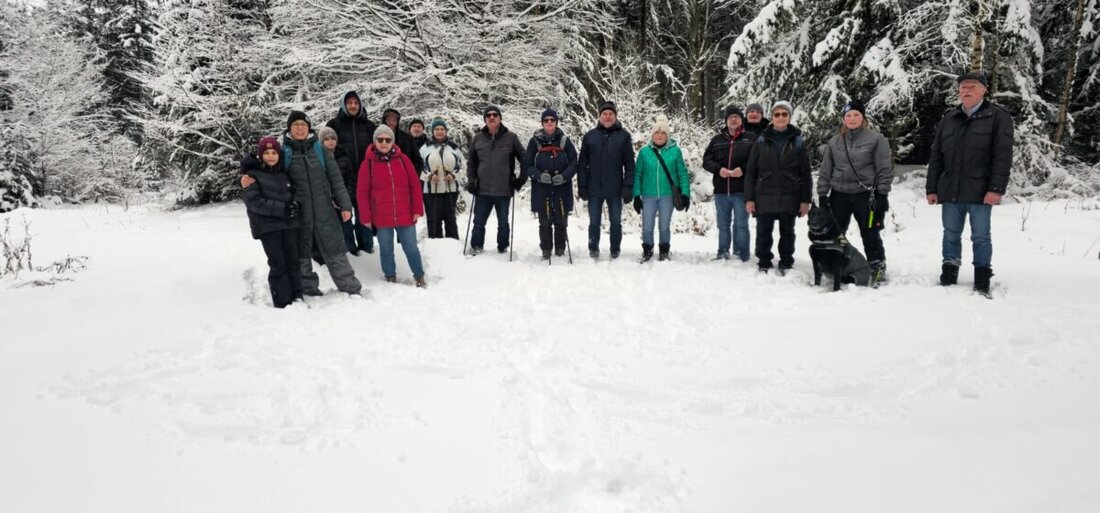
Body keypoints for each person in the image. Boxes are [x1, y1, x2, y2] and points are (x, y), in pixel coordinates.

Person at [243, 111, 362, 296]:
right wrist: (244, 175)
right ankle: (308, 289)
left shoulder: (320, 150)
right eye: (295, 125)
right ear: (289, 128)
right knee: (302, 253)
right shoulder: (284, 153)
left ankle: (350, 287)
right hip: (298, 213)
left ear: (309, 128)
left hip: (325, 212)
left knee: (335, 250)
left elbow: (336, 180)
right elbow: (265, 166)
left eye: (303, 125)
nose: (300, 128)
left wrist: (345, 206)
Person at [926, 71, 1013, 295]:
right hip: (951, 190)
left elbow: (1002, 156)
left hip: (980, 190)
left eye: (971, 87)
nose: (965, 91)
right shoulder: (949, 117)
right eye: (962, 87)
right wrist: (932, 188)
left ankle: (982, 277)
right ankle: (949, 272)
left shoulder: (998, 117)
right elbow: (937, 155)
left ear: (984, 89)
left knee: (981, 236)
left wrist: (996, 189)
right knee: (950, 234)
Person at [817, 99, 893, 285]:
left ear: (863, 117)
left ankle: (877, 266)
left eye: (856, 115)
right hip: (839, 195)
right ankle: (836, 264)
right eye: (848, 115)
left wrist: (882, 194)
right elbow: (826, 169)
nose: (852, 119)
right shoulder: (835, 142)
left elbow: (884, 168)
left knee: (870, 232)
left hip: (865, 195)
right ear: (843, 119)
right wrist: (822, 194)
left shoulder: (876, 139)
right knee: (835, 233)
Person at [744, 100, 812, 273]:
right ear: (772, 117)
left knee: (788, 231)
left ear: (789, 116)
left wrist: (805, 200)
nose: (780, 117)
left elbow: (806, 172)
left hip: (790, 193)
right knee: (763, 231)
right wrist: (749, 198)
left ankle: (786, 261)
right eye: (777, 114)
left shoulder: (797, 140)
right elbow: (751, 171)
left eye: (784, 114)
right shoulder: (761, 140)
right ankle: (764, 260)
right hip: (765, 193)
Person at [358, 125, 428, 287]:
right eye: (380, 139)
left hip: (405, 214)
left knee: (411, 248)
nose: (384, 143)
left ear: (393, 142)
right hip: (381, 216)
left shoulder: (403, 160)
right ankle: (390, 276)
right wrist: (366, 217)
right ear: (374, 141)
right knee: (386, 249)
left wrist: (417, 209)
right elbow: (362, 193)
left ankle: (419, 276)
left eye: (387, 139)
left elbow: (415, 186)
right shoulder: (367, 164)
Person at [241, 136, 302, 308]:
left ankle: (297, 296)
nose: (270, 156)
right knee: (278, 263)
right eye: (266, 152)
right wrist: (283, 208)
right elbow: (255, 202)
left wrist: (296, 204)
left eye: (273, 152)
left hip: (289, 225)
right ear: (260, 155)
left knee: (293, 261)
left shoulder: (284, 172)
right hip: (268, 228)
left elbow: (296, 191)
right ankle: (283, 301)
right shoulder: (251, 176)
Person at [577, 101, 635, 259]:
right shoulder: (590, 136)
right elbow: (582, 163)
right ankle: (593, 248)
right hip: (594, 188)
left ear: (615, 116)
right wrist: (582, 185)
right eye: (605, 114)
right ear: (599, 116)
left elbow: (630, 164)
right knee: (594, 221)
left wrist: (628, 186)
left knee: (615, 222)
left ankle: (615, 249)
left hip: (615, 188)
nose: (607, 117)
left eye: (611, 114)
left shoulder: (624, 136)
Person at [466, 105, 526, 254]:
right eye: (488, 115)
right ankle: (476, 246)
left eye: (495, 115)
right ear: (485, 119)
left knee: (503, 223)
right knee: (478, 222)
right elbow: (471, 162)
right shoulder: (478, 138)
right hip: (482, 189)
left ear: (500, 118)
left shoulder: (511, 137)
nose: (491, 117)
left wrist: (520, 180)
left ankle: (503, 248)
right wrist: (471, 180)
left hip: (503, 189)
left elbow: (525, 159)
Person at [632, 115, 691, 262]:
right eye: (657, 133)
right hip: (648, 194)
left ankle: (664, 250)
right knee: (647, 226)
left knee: (664, 225)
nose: (659, 135)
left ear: (667, 135)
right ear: (652, 135)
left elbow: (682, 174)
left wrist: (685, 194)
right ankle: (647, 248)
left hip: (667, 195)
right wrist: (636, 195)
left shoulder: (675, 151)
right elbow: (638, 174)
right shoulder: (644, 152)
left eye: (663, 133)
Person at [325, 91, 377, 254]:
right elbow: (325, 147)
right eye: (349, 103)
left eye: (356, 102)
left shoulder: (369, 126)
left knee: (364, 216)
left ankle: (367, 250)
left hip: (365, 178)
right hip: (343, 180)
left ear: (360, 104)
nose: (353, 105)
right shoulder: (334, 124)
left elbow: (378, 149)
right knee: (344, 216)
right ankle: (350, 251)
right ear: (344, 105)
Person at [702, 105, 756, 261]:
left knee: (741, 224)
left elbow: (757, 161)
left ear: (741, 120)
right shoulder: (717, 140)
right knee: (723, 225)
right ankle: (723, 251)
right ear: (726, 121)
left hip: (741, 191)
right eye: (730, 117)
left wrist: (743, 169)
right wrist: (719, 170)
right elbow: (706, 161)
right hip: (721, 191)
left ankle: (741, 254)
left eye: (736, 117)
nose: (733, 119)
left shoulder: (750, 138)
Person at [523, 108, 578, 260]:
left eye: (552, 120)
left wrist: (565, 176)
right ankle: (546, 249)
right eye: (546, 120)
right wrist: (539, 175)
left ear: (556, 122)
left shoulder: (564, 140)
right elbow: (526, 164)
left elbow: (574, 162)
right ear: (542, 123)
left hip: (562, 187)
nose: (549, 123)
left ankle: (560, 248)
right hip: (542, 187)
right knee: (545, 221)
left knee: (561, 220)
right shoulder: (534, 142)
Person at [419, 117, 464, 239]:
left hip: (450, 190)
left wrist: (454, 175)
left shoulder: (454, 148)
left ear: (446, 131)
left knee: (451, 220)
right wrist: (429, 176)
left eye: (442, 129)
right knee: (434, 220)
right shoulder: (425, 148)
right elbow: (418, 168)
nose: (439, 131)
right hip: (431, 191)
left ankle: (453, 246)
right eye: (437, 129)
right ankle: (435, 247)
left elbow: (463, 167)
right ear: (432, 131)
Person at [381, 108, 426, 176]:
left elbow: (418, 162)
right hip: (383, 176)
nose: (391, 123)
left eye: (394, 120)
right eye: (388, 120)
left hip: (404, 178)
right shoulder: (376, 137)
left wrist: (412, 176)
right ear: (384, 121)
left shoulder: (407, 138)